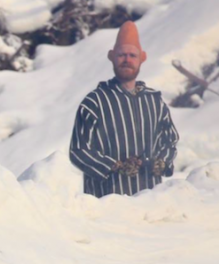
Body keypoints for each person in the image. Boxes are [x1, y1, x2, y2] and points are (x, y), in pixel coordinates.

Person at [69, 21, 179, 198]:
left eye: (132, 55)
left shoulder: (154, 102)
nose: (127, 60)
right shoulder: (94, 102)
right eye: (121, 55)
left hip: (149, 203)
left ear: (141, 59)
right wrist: (114, 166)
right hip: (107, 203)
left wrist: (162, 161)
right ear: (112, 57)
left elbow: (170, 139)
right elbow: (78, 151)